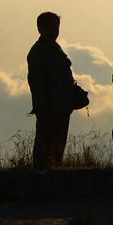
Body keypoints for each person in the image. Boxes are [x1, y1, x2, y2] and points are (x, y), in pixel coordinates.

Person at [26, 12, 79, 171]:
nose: (54, 30)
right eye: (50, 27)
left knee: (58, 144)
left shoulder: (55, 48)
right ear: (40, 28)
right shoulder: (38, 51)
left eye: (56, 27)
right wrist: (42, 107)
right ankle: (42, 174)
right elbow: (36, 82)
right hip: (48, 107)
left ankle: (54, 171)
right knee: (45, 144)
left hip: (62, 105)